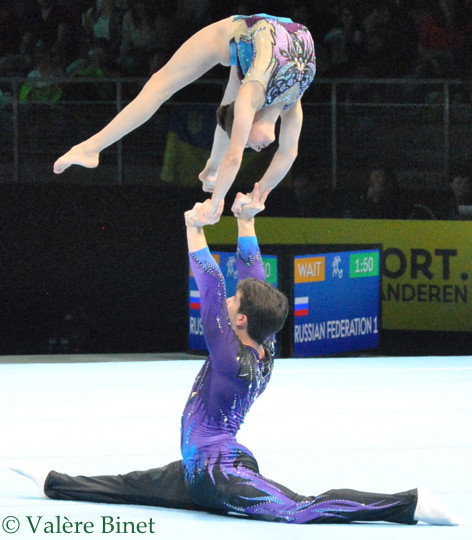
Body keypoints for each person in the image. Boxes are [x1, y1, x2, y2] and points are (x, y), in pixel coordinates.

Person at [10, 184, 463, 526]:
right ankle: (52, 482)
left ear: (241, 319)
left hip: (218, 475)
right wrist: (246, 221)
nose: (227, 304)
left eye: (233, 304)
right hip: (203, 468)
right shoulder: (263, 344)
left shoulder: (229, 357)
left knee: (300, 509)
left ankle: (409, 504)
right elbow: (253, 282)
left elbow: (211, 285)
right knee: (127, 487)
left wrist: (194, 226)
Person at [53, 13, 317, 222]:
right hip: (244, 39)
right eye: (249, 144)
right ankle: (90, 148)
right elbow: (260, 155)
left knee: (229, 99)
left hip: (253, 42)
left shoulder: (271, 97)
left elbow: (268, 154)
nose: (253, 149)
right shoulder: (278, 98)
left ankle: (212, 167)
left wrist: (236, 199)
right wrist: (237, 199)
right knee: (159, 87)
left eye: (246, 143)